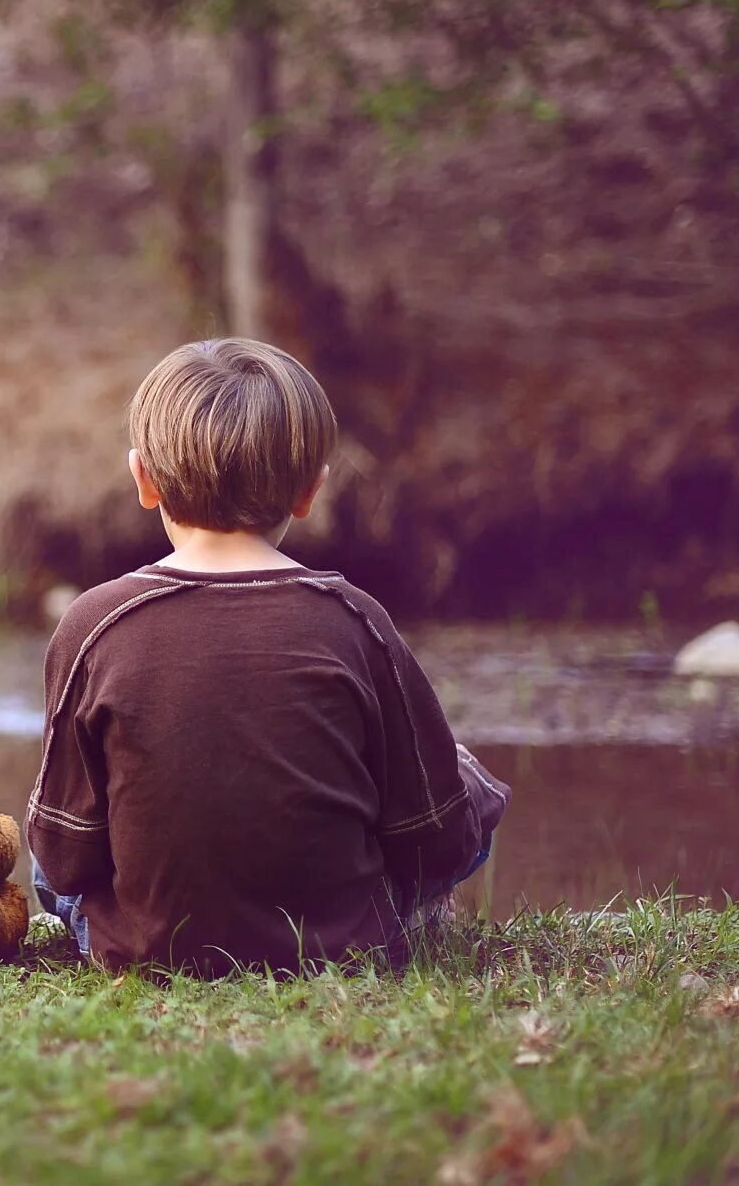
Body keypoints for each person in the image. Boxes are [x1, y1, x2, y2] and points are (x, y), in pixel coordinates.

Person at [27, 338, 508, 975]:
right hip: (340, 949)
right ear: (312, 490)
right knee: (464, 780)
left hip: (145, 949)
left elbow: (63, 857)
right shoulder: (355, 619)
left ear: (143, 478)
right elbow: (433, 838)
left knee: (46, 835)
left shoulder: (93, 623)